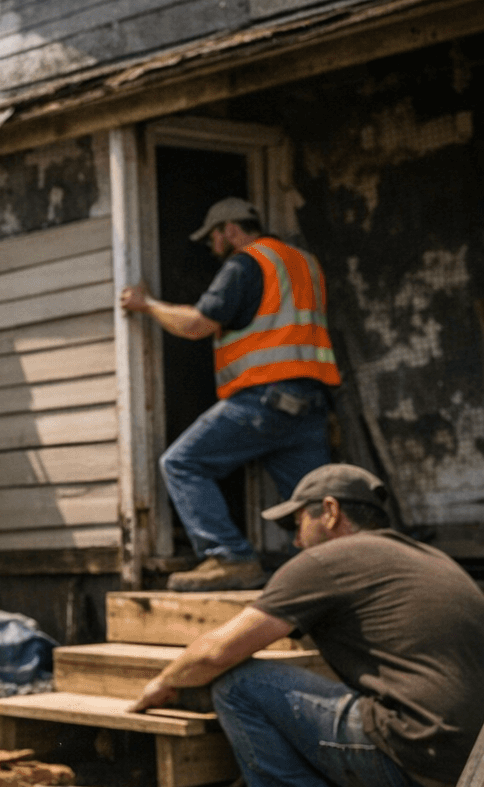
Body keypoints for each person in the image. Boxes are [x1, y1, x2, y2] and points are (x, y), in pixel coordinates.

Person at [129, 464, 484, 787]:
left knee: (240, 684)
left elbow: (215, 654)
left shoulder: (329, 560)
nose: (296, 540)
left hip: (428, 769)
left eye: (298, 523)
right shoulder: (425, 558)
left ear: (330, 512)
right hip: (469, 786)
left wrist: (161, 683)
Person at [120, 197, 341, 591]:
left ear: (231, 230)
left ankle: (228, 555)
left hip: (265, 399)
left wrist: (146, 305)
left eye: (213, 237)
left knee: (182, 463)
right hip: (310, 402)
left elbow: (196, 326)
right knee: (312, 500)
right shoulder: (304, 263)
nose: (212, 246)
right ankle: (332, 574)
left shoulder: (245, 263)